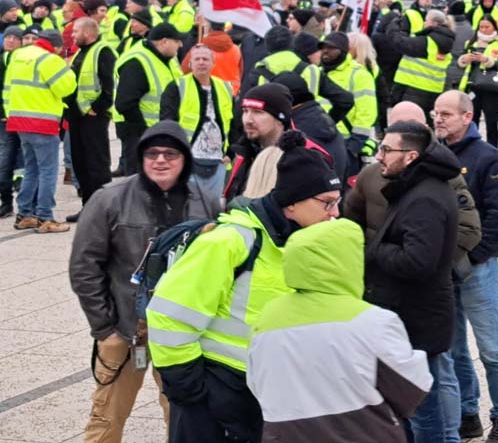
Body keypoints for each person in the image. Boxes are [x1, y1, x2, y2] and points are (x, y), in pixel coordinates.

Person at [148, 130, 342, 443]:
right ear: (292, 204)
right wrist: (192, 392)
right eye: (327, 203)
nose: (335, 213)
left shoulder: (303, 244)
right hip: (214, 392)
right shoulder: (230, 241)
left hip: (262, 394)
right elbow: (169, 315)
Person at [69, 121, 218, 443]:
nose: (160, 160)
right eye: (152, 153)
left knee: (185, 417)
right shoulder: (110, 199)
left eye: (170, 153)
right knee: (106, 417)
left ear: (184, 159)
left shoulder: (205, 202)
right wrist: (104, 329)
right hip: (126, 329)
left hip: (182, 332)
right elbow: (84, 266)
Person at [247, 219, 433, 443]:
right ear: (347, 262)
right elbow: (412, 389)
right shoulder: (373, 321)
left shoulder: (267, 317)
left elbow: (257, 383)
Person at [364, 120, 461, 443]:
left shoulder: (425, 198)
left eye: (387, 150)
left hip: (418, 322)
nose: (379, 156)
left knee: (422, 409)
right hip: (410, 317)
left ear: (410, 156)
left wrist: (376, 249)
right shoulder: (415, 186)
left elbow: (418, 262)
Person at [432, 91, 498, 442]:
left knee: (491, 348)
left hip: (476, 269)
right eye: (436, 113)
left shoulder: (488, 157)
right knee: (453, 349)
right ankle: (468, 413)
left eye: (447, 114)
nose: (438, 119)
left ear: (467, 117)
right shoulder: (432, 155)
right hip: (441, 270)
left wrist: (472, 257)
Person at [342, 100, 481, 270]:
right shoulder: (370, 175)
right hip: (377, 277)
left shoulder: (445, 176)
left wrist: (434, 265)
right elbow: (351, 223)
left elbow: (468, 230)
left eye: (413, 126)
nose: (406, 133)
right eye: (398, 127)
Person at [8, 29, 77, 232]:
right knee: (48, 171)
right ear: (56, 46)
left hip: (19, 121)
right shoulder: (51, 60)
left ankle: (24, 214)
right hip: (42, 123)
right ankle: (45, 217)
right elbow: (66, 88)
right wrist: (67, 68)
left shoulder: (19, 55)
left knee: (31, 169)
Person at [160, 44, 235, 202]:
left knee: (212, 210)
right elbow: (167, 122)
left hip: (218, 161)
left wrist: (232, 152)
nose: (201, 62)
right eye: (197, 59)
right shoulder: (177, 87)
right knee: (188, 206)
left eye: (206, 59)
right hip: (188, 161)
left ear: (213, 63)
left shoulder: (225, 88)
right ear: (190, 63)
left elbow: (235, 124)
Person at [114, 23, 183, 174]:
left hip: (160, 131)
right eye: (177, 41)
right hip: (139, 133)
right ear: (164, 41)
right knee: (140, 182)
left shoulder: (167, 58)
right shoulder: (137, 62)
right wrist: (145, 132)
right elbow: (125, 103)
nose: (180, 45)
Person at [65, 17, 116, 215]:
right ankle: (87, 208)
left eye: (76, 31)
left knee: (97, 165)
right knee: (81, 163)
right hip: (78, 117)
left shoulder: (103, 51)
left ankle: (102, 210)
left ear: (88, 33)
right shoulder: (81, 52)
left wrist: (98, 108)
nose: (72, 35)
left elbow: (109, 84)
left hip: (93, 118)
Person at [320, 31, 377, 174]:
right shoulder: (316, 72)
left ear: (343, 50)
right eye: (323, 47)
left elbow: (367, 113)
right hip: (319, 140)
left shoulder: (359, 74)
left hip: (345, 142)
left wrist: (354, 146)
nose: (325, 51)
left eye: (331, 48)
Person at [225, 83, 294, 201]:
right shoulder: (242, 153)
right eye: (245, 111)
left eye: (258, 112)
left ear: (280, 119)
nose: (248, 120)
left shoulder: (299, 158)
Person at [385, 8, 456, 114]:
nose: (424, 23)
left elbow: (399, 42)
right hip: (434, 89)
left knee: (409, 122)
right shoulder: (446, 41)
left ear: (434, 23)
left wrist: (393, 27)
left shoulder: (427, 42)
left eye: (426, 20)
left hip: (414, 88)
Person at [457, 15, 498, 148]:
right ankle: (471, 148)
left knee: (491, 123)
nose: (484, 29)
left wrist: (487, 60)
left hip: (491, 88)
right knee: (470, 122)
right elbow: (460, 65)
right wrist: (465, 59)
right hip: (473, 87)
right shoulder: (471, 43)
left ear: (494, 27)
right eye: (481, 27)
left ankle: (493, 150)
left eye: (487, 27)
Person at [182, 20, 242, 95]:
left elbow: (185, 70)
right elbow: (242, 73)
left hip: (206, 93)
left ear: (209, 29)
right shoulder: (236, 49)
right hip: (231, 92)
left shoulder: (198, 50)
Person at [0, 25, 22, 217]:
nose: (11, 40)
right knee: (4, 161)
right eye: (8, 37)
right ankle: (6, 201)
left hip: (23, 118)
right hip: (4, 119)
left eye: (16, 38)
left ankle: (25, 204)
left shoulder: (24, 61)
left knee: (22, 162)